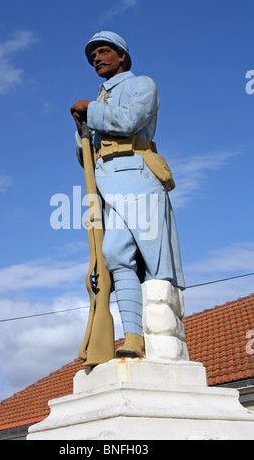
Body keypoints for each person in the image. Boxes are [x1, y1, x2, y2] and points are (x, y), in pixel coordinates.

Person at [71, 31, 185, 358]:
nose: (97, 58)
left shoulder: (142, 85)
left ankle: (162, 332)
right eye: (93, 55)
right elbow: (86, 158)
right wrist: (81, 131)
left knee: (154, 258)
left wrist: (90, 111)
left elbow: (129, 121)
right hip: (109, 184)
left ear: (122, 56)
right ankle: (133, 336)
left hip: (138, 176)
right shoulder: (99, 100)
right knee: (115, 255)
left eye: (104, 51)